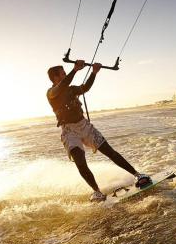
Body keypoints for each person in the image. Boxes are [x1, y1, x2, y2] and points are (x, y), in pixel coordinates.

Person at [46, 59, 151, 202]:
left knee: (110, 152)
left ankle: (138, 175)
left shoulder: (71, 89)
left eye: (65, 73)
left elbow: (85, 88)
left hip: (84, 126)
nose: (65, 75)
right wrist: (75, 69)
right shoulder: (52, 93)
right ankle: (96, 191)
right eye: (63, 73)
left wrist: (94, 73)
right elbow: (62, 85)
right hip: (69, 132)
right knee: (80, 162)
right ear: (55, 78)